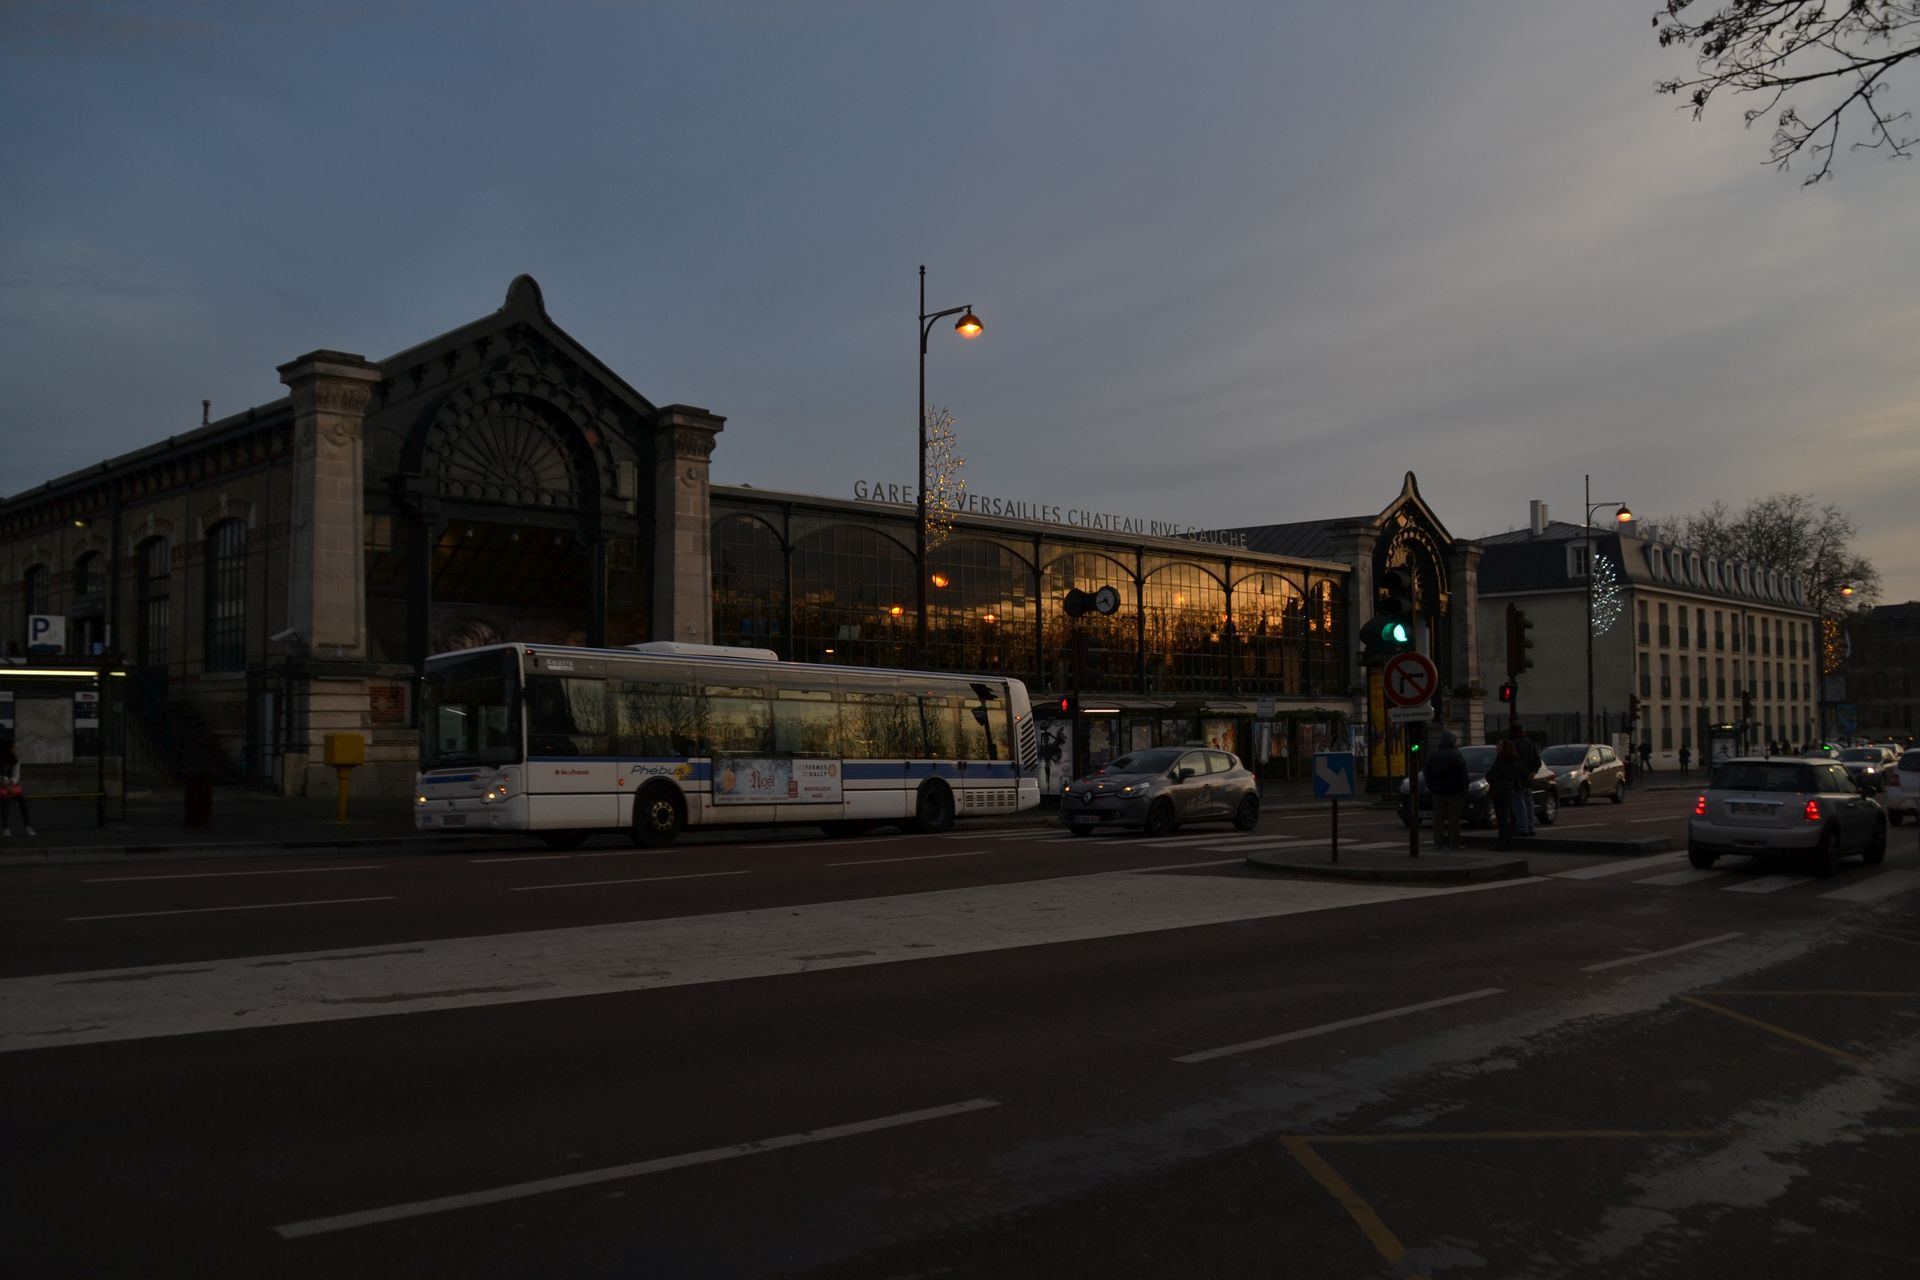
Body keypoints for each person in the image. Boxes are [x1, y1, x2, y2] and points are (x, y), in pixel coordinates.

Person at [1425, 729, 1469, 850]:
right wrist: (1464, 790)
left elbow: (1426, 773)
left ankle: (1438, 843)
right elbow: (1463, 774)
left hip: (1438, 792)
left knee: (1438, 819)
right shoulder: (1456, 755)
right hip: (1455, 792)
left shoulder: (1433, 755)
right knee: (1453, 819)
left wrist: (1431, 787)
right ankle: (1453, 843)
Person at [1486, 740, 1523, 851]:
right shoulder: (1515, 760)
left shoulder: (1501, 760)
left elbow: (1490, 775)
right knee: (1509, 817)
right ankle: (1508, 841)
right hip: (1509, 791)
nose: (1497, 747)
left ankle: (1502, 842)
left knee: (1502, 819)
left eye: (1499, 745)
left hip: (1499, 791)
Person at [1509, 723, 1541, 837]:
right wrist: (1532, 772)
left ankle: (1522, 828)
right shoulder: (1529, 743)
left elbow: (1516, 762)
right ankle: (1530, 827)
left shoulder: (1514, 744)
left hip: (1519, 778)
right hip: (1528, 778)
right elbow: (1537, 761)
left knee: (1519, 804)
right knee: (1528, 803)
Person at [0, 738, 35, 837]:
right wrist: (6, 785)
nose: (14, 749)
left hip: (10, 786)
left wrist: (11, 783)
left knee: (23, 802)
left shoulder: (15, 760)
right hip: (2, 786)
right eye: (12, 747)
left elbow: (16, 776)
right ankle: (6, 828)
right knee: (5, 801)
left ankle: (28, 826)